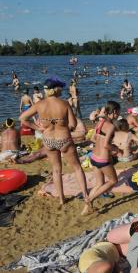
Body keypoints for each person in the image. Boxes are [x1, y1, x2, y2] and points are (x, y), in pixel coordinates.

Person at [19, 77, 91, 210]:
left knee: (56, 169)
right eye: (61, 88)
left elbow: (22, 118)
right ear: (56, 89)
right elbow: (73, 125)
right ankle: (86, 196)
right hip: (63, 139)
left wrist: (37, 128)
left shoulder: (40, 104)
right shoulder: (64, 104)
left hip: (48, 140)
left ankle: (62, 200)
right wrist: (63, 125)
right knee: (76, 168)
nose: (62, 90)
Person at [84, 101, 121, 215]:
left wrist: (110, 145)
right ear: (114, 112)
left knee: (99, 184)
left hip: (94, 157)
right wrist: (116, 149)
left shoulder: (100, 123)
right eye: (118, 112)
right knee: (113, 180)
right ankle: (90, 199)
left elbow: (94, 139)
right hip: (103, 160)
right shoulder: (111, 126)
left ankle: (86, 209)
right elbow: (106, 145)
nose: (119, 114)